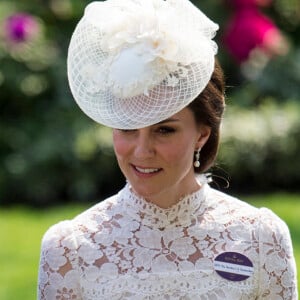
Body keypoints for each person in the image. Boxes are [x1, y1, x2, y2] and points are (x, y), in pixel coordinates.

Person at [38, 0, 298, 299]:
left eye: (164, 130)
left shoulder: (261, 238)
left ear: (202, 133)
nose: (142, 150)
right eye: (127, 128)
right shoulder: (68, 249)